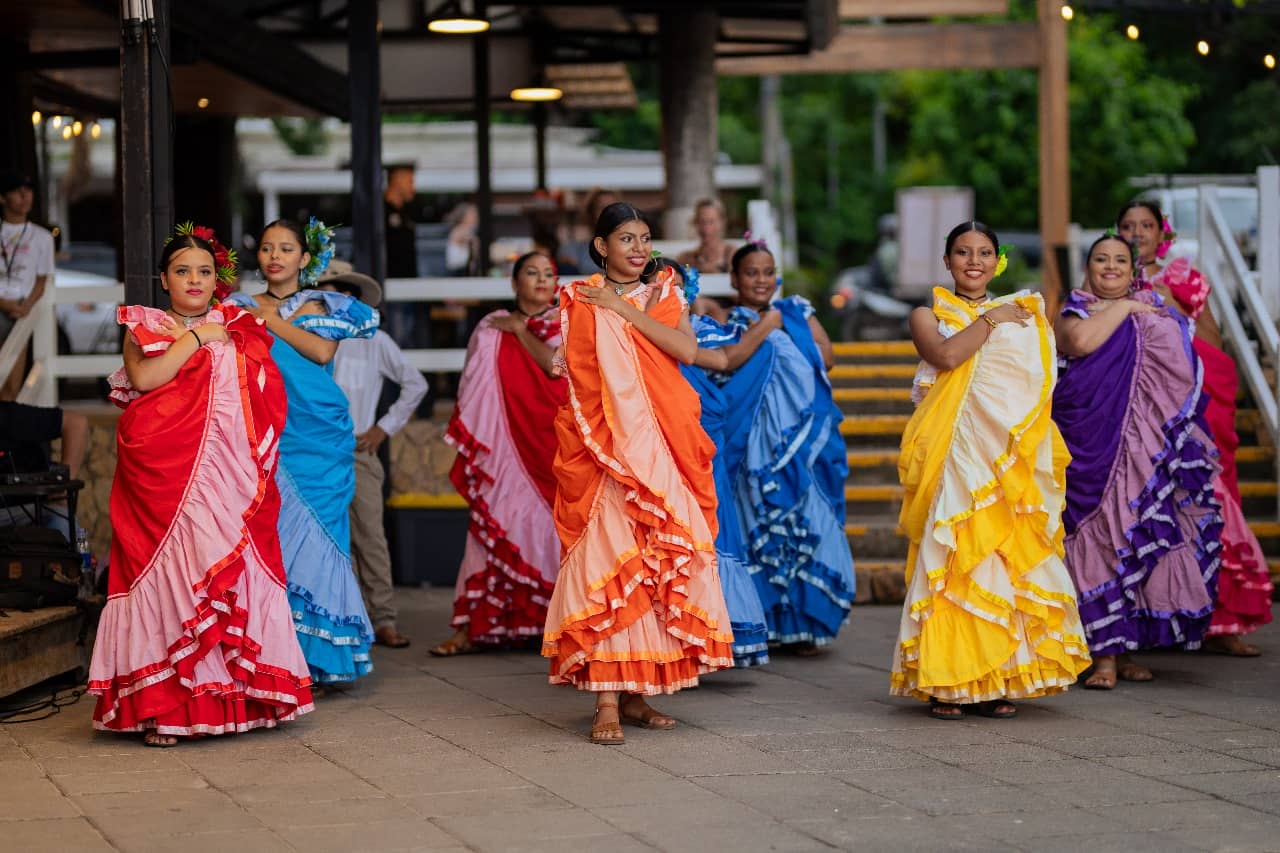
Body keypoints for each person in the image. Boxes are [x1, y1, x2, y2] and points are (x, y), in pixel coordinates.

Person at [89, 225, 313, 745]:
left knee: (220, 577)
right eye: (183, 271)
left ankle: (233, 700)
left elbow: (266, 388)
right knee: (169, 574)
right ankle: (163, 706)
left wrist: (219, 337)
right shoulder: (144, 323)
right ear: (163, 279)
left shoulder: (238, 322)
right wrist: (195, 338)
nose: (194, 280)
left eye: (205, 271)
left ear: (219, 279)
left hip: (225, 479)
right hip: (160, 478)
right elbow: (145, 380)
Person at [543, 203, 734, 745]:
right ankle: (606, 699)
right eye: (626, 239)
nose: (638, 249)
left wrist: (620, 310)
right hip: (604, 449)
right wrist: (569, 350)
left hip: (659, 440)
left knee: (656, 561)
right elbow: (577, 358)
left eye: (645, 238)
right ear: (601, 246)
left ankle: (638, 693)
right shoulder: (579, 296)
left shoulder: (664, 289)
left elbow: (685, 349)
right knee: (611, 560)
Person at [891, 221, 1090, 720]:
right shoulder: (928, 313)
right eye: (962, 252)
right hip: (950, 448)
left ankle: (995, 675)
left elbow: (1034, 385)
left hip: (998, 452)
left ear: (997, 260)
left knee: (997, 556)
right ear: (947, 261)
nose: (973, 261)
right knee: (951, 551)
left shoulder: (1021, 316)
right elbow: (945, 355)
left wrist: (1007, 318)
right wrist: (992, 319)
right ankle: (944, 680)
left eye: (983, 252)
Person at [1053, 231, 1222, 689]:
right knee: (1095, 535)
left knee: (1132, 535)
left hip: (1140, 447)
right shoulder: (1073, 311)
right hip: (1087, 443)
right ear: (1087, 268)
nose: (1110, 267)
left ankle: (1124, 649)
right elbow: (1082, 343)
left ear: (1133, 271)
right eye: (1101, 259)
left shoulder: (1157, 312)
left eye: (1120, 261)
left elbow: (1184, 372)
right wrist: (1126, 308)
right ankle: (1099, 654)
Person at [225, 219, 380, 685]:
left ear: (304, 259)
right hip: (264, 429)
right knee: (271, 538)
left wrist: (271, 322)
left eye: (286, 248)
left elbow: (320, 353)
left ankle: (319, 656)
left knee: (322, 541)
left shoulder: (325, 302)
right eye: (268, 247)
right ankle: (275, 654)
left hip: (319, 432)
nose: (275, 256)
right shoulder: (237, 306)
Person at [1119, 201, 1272, 656]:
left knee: (1208, 497)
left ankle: (1226, 622)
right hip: (1134, 408)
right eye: (1127, 226)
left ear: (1161, 234)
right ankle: (1142, 621)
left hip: (1186, 405)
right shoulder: (1105, 279)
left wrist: (1171, 314)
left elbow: (1215, 346)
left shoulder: (1182, 279)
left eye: (1146, 226)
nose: (1136, 233)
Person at [713, 239, 854, 655]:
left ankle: (805, 622)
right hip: (753, 441)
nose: (761, 279)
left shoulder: (797, 312)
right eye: (751, 272)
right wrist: (766, 326)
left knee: (807, 520)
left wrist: (785, 324)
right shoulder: (726, 320)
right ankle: (764, 623)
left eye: (768, 271)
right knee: (755, 524)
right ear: (735, 279)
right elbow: (726, 363)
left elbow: (826, 359)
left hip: (803, 440)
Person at [431, 251, 567, 656]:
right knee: (490, 526)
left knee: (559, 532)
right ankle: (470, 627)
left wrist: (522, 330)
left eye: (548, 274)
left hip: (555, 444)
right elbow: (473, 388)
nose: (541, 280)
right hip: (504, 446)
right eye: (531, 272)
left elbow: (555, 369)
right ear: (514, 282)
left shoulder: (569, 325)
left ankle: (558, 627)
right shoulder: (489, 327)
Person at [667, 259, 770, 668]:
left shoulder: (700, 330)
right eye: (658, 285)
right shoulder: (641, 330)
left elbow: (728, 360)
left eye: (676, 286)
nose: (667, 292)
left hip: (704, 439)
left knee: (712, 528)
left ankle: (711, 633)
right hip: (663, 437)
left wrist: (771, 321)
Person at [320, 261, 427, 651]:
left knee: (370, 535)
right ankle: (345, 620)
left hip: (356, 450)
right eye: (325, 293)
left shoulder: (374, 341)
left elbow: (415, 384)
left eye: (340, 292)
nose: (333, 300)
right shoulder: (302, 339)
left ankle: (382, 618)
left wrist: (384, 427)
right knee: (328, 539)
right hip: (314, 452)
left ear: (351, 297)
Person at [0, 170, 55, 400]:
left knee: (12, 383)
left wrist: (26, 307)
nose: (25, 196)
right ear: (2, 198)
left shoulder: (43, 237)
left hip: (24, 311)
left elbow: (43, 279)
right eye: (17, 191)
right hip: (2, 306)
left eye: (29, 191)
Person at [563, 187, 618, 275]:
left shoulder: (631, 248)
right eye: (601, 207)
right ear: (591, 213)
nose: (608, 212)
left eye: (613, 208)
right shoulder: (575, 250)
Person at [675, 199, 735, 273]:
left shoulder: (731, 255)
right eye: (701, 222)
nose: (706, 228)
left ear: (721, 223)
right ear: (695, 223)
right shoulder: (686, 259)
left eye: (711, 221)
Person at [444, 201, 479, 277]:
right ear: (463, 217)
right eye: (472, 214)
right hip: (457, 271)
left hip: (462, 269)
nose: (476, 216)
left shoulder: (468, 230)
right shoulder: (460, 230)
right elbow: (475, 246)